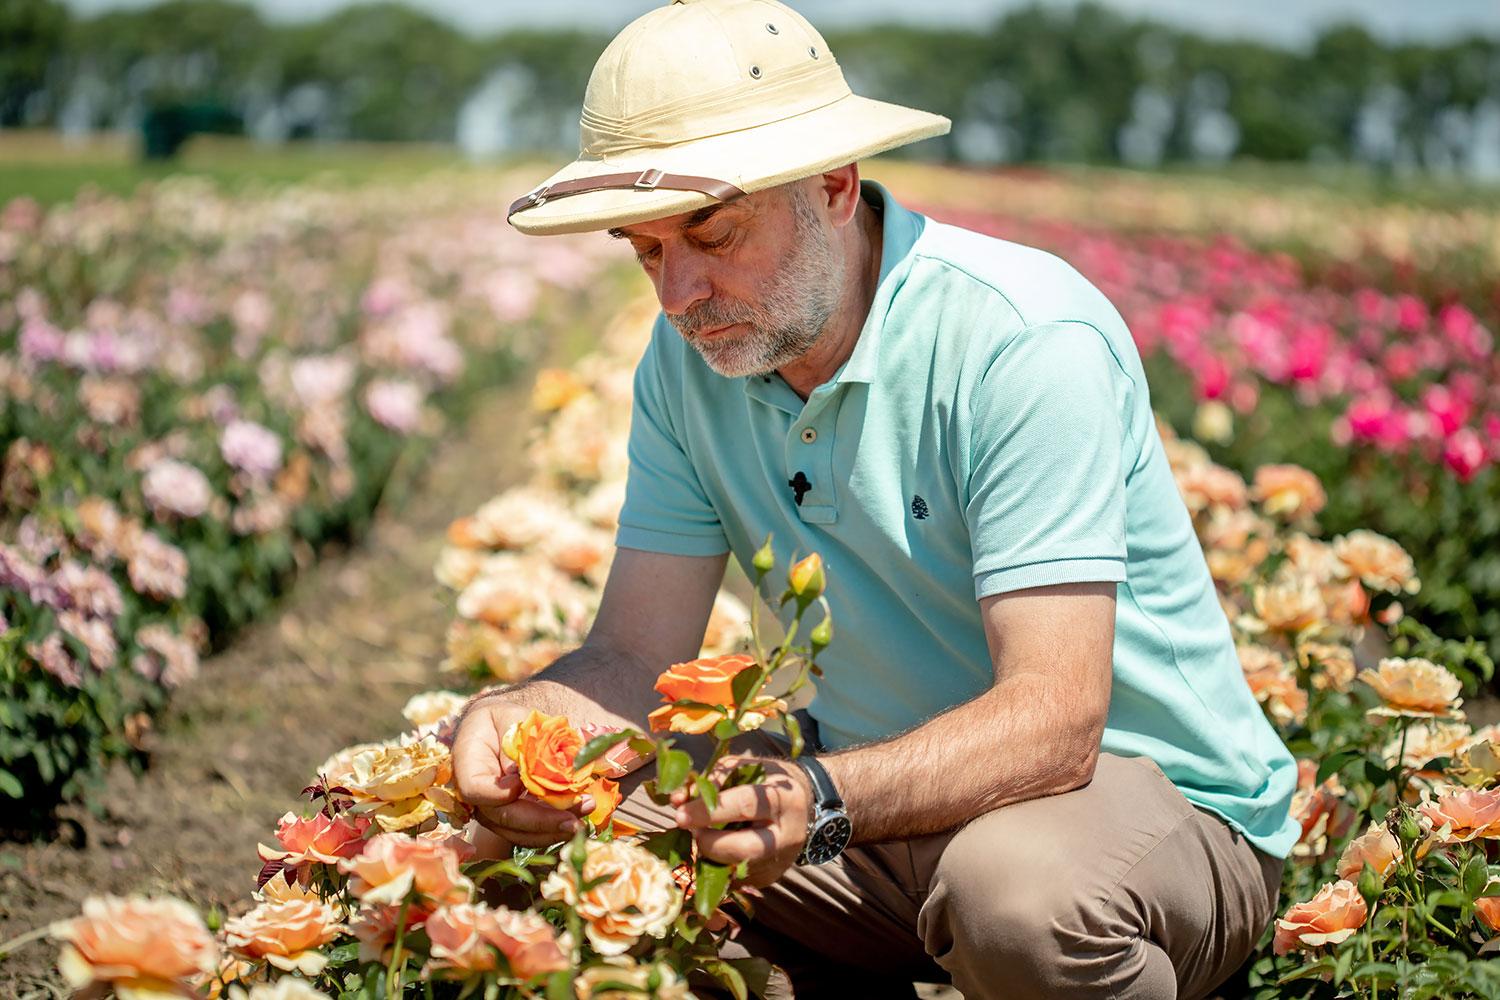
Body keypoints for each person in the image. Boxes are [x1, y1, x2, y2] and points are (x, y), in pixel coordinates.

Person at [453, 2, 1299, 997]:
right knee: (523, 833)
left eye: (711, 233)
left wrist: (814, 797)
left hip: (1130, 804)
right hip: (865, 799)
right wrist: (516, 718)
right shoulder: (685, 371)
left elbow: (1056, 719)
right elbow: (636, 653)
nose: (677, 294)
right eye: (644, 251)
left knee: (1014, 900)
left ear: (835, 187)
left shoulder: (1020, 341)